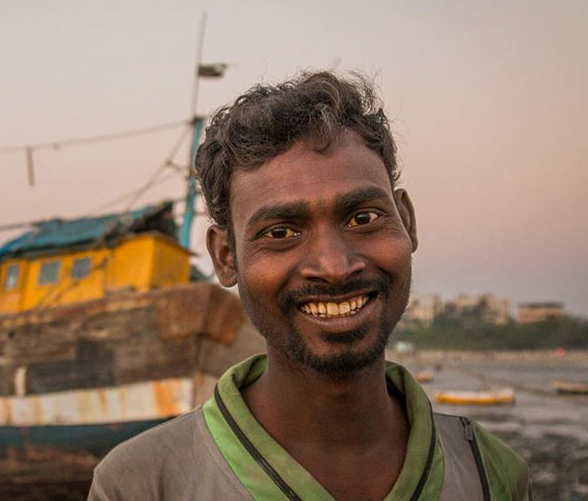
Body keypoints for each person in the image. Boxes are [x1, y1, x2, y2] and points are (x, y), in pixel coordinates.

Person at [88, 71, 531, 500]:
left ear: (407, 221)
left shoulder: (491, 476)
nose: (335, 267)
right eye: (281, 232)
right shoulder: (141, 485)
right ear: (226, 257)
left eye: (363, 218)